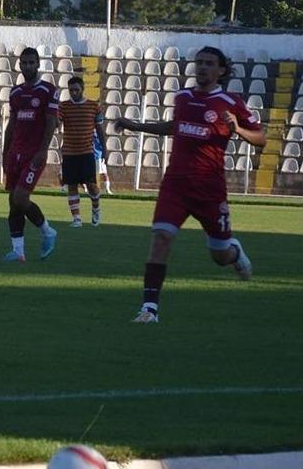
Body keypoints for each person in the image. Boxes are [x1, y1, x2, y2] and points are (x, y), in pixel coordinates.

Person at [115, 46, 264, 323]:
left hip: (210, 188)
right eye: (199, 62)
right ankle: (149, 308)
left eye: (209, 63)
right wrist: (135, 126)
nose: (202, 67)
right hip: (176, 184)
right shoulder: (183, 97)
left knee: (220, 256)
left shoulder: (231, 102)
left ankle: (235, 253)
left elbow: (261, 138)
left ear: (221, 70)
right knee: (161, 238)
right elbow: (174, 127)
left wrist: (238, 129)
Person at [2, 47, 60, 262]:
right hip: (15, 153)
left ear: (38, 64)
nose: (28, 66)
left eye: (31, 62)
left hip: (34, 154)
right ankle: (18, 251)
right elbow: (12, 124)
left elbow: (51, 122)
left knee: (20, 197)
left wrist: (43, 150)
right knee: (13, 201)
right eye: (24, 63)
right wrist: (5, 153)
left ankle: (48, 231)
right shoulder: (15, 93)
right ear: (19, 65)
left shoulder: (48, 90)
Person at [58, 76, 105, 227]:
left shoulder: (93, 106)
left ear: (82, 89)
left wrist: (104, 148)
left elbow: (99, 128)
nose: (73, 93)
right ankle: (77, 219)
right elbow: (57, 123)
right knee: (72, 185)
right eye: (71, 90)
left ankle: (96, 208)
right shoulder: (63, 106)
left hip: (86, 151)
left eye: (76, 90)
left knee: (91, 185)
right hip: (69, 152)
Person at [94, 130, 113, 194]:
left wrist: (105, 155)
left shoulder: (99, 135)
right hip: (92, 156)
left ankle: (107, 189)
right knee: (96, 174)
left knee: (104, 173)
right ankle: (96, 189)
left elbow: (103, 145)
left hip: (99, 156)